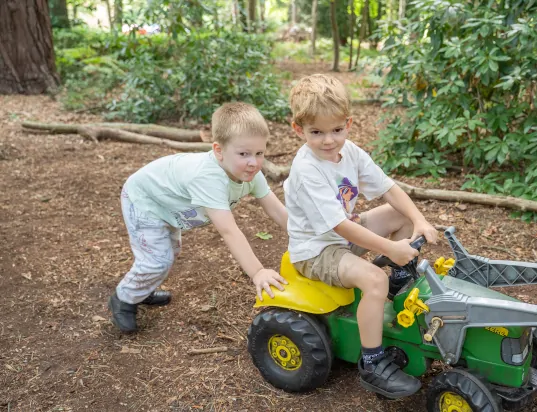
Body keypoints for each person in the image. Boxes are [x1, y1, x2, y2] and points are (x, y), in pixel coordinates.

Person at [283, 74, 438, 398]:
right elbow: (339, 226)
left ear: (348, 123)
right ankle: (373, 362)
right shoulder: (307, 169)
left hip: (345, 234)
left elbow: (389, 189)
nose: (329, 140)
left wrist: (419, 220)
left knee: (399, 214)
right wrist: (390, 248)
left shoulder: (349, 152)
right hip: (316, 250)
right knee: (373, 280)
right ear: (299, 129)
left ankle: (397, 281)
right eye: (317, 132)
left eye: (337, 130)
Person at [109, 102, 287, 334]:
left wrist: (307, 235)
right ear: (219, 150)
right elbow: (229, 231)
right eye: (244, 154)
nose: (253, 162)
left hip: (167, 202)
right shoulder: (209, 178)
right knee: (157, 259)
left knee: (168, 253)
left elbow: (276, 210)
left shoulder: (250, 173)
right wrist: (258, 272)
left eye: (259, 153)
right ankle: (124, 298)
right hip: (144, 200)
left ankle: (142, 287)